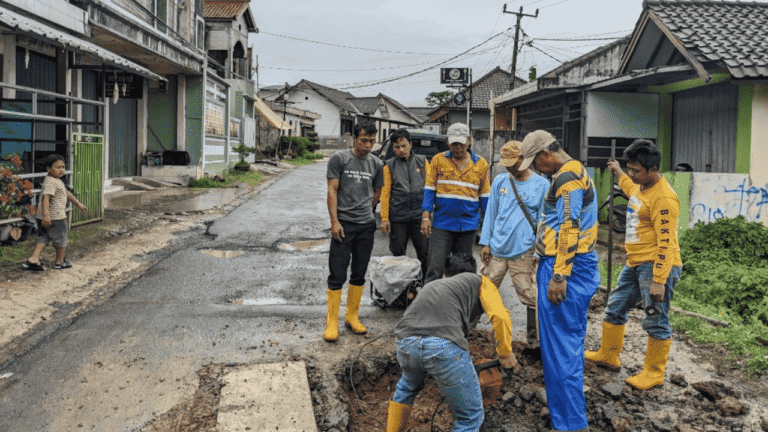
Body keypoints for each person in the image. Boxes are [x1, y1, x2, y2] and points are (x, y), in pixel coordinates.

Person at [519, 130, 600, 432]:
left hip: (565, 268)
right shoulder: (574, 170)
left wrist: (559, 275)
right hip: (569, 264)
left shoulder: (566, 178)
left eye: (535, 162)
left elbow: (569, 227)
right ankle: (568, 416)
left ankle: (570, 424)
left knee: (560, 349)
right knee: (566, 343)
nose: (537, 169)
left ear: (545, 154)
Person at [586, 140, 683, 390]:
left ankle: (654, 373)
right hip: (636, 263)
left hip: (656, 267)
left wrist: (659, 281)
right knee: (615, 306)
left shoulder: (664, 199)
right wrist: (619, 172)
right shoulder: (642, 186)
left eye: (636, 170)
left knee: (655, 317)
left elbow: (666, 244)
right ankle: (608, 355)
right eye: (629, 168)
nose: (632, 174)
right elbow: (631, 188)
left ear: (652, 170)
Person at [386, 253, 521, 432]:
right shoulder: (480, 281)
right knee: (470, 416)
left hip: (405, 343)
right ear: (470, 272)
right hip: (442, 346)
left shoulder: (433, 284)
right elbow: (501, 317)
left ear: (446, 274)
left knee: (408, 386)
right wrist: (505, 353)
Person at [479, 141, 549, 351]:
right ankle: (468, 329)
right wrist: (485, 242)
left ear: (525, 158)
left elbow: (543, 222)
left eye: (513, 162)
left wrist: (539, 250)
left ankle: (534, 341)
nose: (510, 167)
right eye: (507, 163)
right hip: (498, 249)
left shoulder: (542, 185)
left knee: (530, 295)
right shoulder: (501, 181)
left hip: (524, 251)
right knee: (483, 289)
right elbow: (491, 213)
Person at [324, 121, 384, 343]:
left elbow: (377, 191)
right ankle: (332, 321)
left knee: (359, 273)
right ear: (354, 139)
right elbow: (332, 189)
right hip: (344, 226)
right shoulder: (339, 159)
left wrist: (368, 212)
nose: (368, 145)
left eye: (371, 141)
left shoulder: (377, 164)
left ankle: (352, 316)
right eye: (363, 141)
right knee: (337, 274)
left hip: (366, 227)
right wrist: (335, 221)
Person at [421, 122, 490, 284]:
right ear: (447, 142)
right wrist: (425, 217)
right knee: (434, 269)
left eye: (461, 143)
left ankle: (460, 305)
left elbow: (485, 197)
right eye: (454, 144)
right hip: (442, 224)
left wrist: (488, 232)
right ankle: (429, 305)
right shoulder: (438, 160)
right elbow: (429, 190)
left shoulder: (481, 164)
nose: (457, 148)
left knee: (463, 272)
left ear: (469, 140)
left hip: (468, 226)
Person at [22, 154, 88, 271]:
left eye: (63, 167)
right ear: (49, 169)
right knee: (61, 239)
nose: (62, 169)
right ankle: (59, 261)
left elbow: (67, 193)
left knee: (43, 237)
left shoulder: (56, 181)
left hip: (44, 217)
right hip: (55, 217)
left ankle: (33, 259)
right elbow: (45, 198)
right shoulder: (51, 182)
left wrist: (78, 204)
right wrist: (47, 216)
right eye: (58, 167)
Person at [380, 128, 429, 280]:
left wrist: (428, 214)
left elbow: (430, 188)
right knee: (398, 254)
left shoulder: (422, 161)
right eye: (396, 147)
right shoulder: (389, 165)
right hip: (398, 217)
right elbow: (385, 193)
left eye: (404, 145)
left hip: (419, 216)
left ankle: (426, 286)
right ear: (393, 148)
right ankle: (401, 289)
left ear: (410, 145)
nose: (401, 150)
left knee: (425, 253)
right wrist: (384, 218)